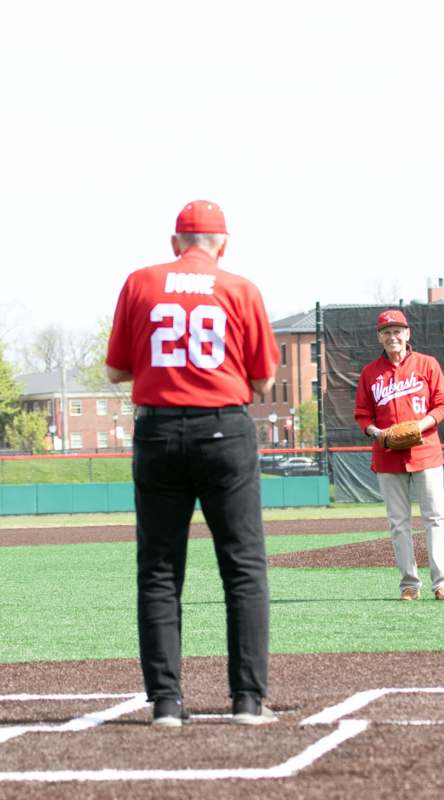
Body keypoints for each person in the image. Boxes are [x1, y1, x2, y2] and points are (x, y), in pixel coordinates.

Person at [106, 199, 280, 726]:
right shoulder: (240, 288)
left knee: (159, 570)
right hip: (224, 430)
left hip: (158, 430)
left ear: (174, 242)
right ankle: (247, 702)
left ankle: (166, 704)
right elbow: (265, 382)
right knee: (243, 566)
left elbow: (117, 371)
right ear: (222, 244)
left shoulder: (140, 282)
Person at [354, 309, 444, 602]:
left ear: (407, 334)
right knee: (399, 522)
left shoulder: (427, 365)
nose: (392, 336)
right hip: (387, 455)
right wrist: (378, 433)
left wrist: (420, 425)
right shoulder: (370, 373)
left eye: (397, 331)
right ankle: (409, 584)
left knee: (435, 518)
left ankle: (442, 584)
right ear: (379, 337)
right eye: (386, 332)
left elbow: (443, 402)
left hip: (425, 452)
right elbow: (362, 415)